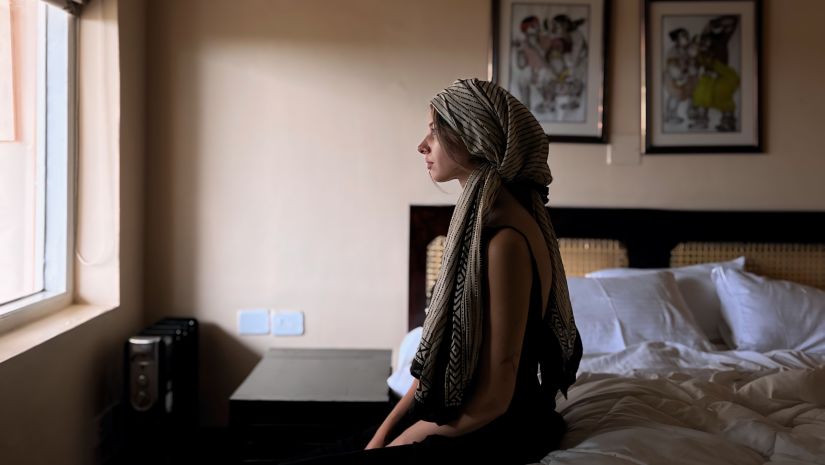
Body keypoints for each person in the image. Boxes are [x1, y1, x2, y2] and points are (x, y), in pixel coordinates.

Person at [278, 78, 583, 465]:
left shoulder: (505, 239)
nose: (422, 145)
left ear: (475, 139)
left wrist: (405, 439)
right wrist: (384, 434)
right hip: (456, 412)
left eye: (435, 133)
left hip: (495, 430)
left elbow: (496, 395)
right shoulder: (484, 226)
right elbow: (432, 367)